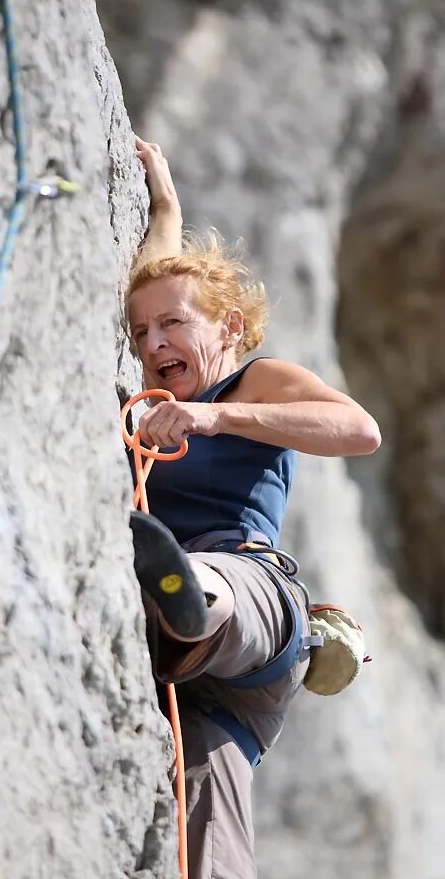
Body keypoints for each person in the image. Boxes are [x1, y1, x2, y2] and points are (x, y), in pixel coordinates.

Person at [126, 137, 381, 879]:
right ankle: (176, 608)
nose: (153, 343)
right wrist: (164, 207)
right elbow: (158, 286)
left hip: (255, 602)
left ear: (230, 328)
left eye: (173, 326)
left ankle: (185, 600)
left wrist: (218, 419)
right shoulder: (158, 399)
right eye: (140, 334)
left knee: (214, 587)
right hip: (210, 694)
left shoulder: (252, 384)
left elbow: (358, 430)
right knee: (210, 837)